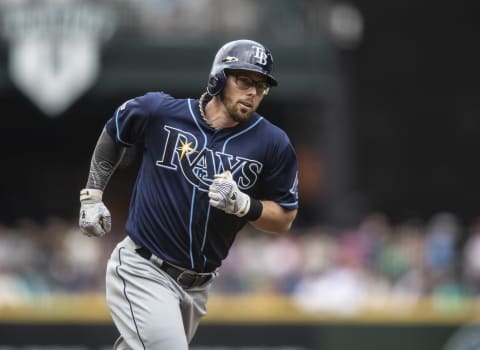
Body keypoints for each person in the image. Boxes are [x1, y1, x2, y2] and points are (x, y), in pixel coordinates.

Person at [78, 39, 299, 349]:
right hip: (143, 268)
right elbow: (116, 130)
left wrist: (245, 205)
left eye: (261, 86)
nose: (252, 92)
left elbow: (285, 218)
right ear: (219, 78)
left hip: (198, 287)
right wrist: (93, 193)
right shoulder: (162, 112)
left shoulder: (272, 143)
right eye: (245, 81)